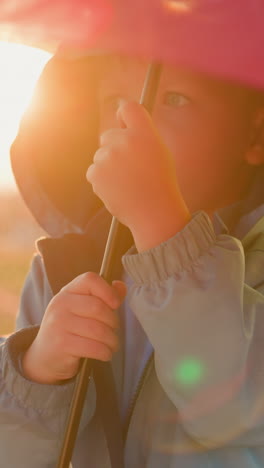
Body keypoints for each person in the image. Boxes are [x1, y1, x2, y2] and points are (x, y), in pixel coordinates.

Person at [1, 1, 264, 467]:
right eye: (112, 104)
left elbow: (241, 411)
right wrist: (37, 371)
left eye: (175, 99)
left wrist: (165, 231)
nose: (131, 122)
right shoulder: (66, 266)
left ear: (254, 134)